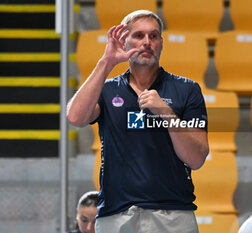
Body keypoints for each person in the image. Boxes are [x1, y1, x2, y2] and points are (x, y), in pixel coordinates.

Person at [67, 9, 209, 233]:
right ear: (125, 41)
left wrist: (165, 112)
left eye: (153, 36)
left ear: (161, 43)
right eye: (139, 35)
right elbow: (75, 117)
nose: (146, 42)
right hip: (117, 215)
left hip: (173, 215)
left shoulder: (187, 90)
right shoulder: (107, 90)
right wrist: (107, 62)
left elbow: (196, 158)